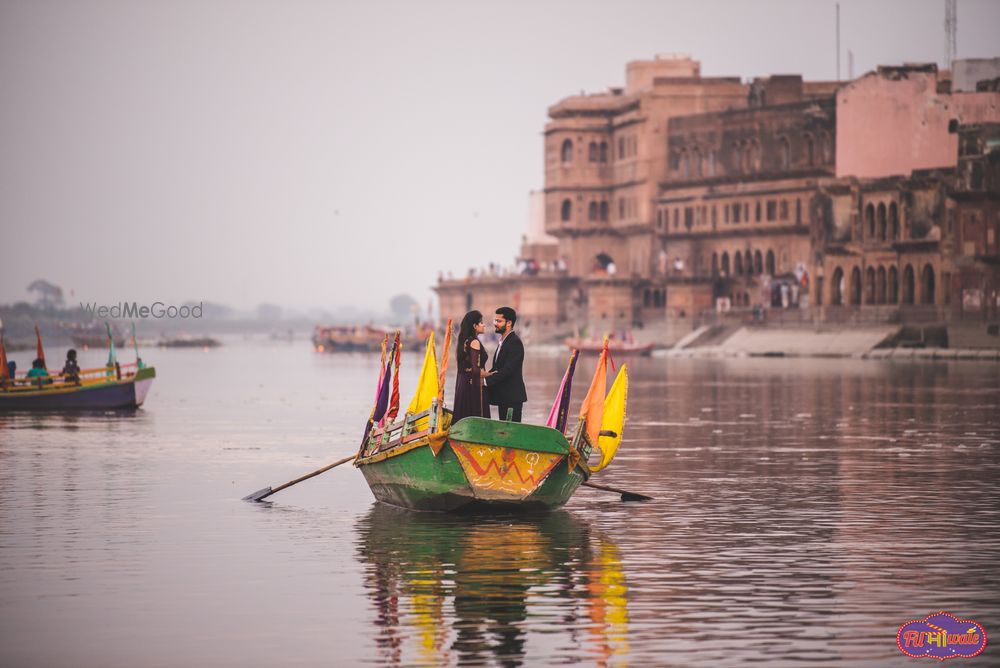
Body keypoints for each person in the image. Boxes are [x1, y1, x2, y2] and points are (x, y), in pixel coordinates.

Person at [485, 306, 527, 422]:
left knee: (511, 433)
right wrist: (484, 375)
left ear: (509, 323)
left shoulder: (515, 343)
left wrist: (485, 382)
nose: (495, 324)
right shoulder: (503, 342)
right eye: (495, 320)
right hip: (503, 396)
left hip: (512, 397)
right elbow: (497, 368)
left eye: (499, 321)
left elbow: (507, 370)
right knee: (504, 431)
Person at [451, 310, 492, 423]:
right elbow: (475, 370)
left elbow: (466, 367)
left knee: (463, 416)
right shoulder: (474, 342)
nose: (484, 325)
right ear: (474, 326)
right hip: (473, 386)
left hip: (463, 383)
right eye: (481, 322)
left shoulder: (464, 340)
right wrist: (491, 374)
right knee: (477, 418)